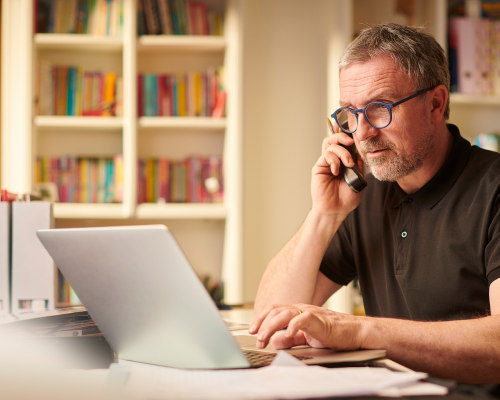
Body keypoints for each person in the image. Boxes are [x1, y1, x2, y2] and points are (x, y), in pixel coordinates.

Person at [248, 23, 500, 384]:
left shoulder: (493, 189)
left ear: (436, 103)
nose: (362, 133)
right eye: (350, 113)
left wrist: (360, 331)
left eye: (380, 108)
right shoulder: (364, 192)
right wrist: (325, 213)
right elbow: (269, 319)